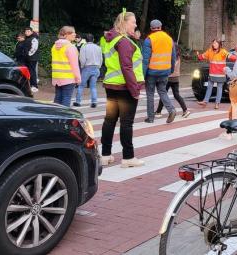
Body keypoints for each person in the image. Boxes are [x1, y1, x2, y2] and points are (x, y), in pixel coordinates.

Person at [100, 11, 145, 168]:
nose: (135, 24)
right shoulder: (124, 42)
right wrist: (135, 90)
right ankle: (128, 157)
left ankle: (105, 155)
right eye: (133, 22)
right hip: (125, 87)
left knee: (109, 120)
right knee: (126, 123)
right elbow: (127, 67)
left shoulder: (110, 40)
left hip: (111, 85)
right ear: (124, 23)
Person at [142, 19, 177, 123]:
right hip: (165, 71)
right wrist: (171, 70)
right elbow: (173, 57)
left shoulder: (149, 40)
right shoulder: (169, 39)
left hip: (152, 72)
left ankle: (150, 118)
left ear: (151, 28)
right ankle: (171, 110)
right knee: (162, 91)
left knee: (150, 94)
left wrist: (142, 75)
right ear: (161, 27)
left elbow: (145, 60)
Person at [156, 44, 191, 118]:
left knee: (163, 94)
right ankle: (185, 110)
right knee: (176, 95)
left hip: (169, 78)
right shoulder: (178, 57)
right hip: (176, 78)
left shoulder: (171, 57)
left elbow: (169, 66)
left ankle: (158, 112)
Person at [196, 39, 232, 109]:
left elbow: (230, 57)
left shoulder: (223, 51)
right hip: (212, 73)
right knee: (209, 87)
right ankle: (205, 102)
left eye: (215, 43)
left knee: (219, 88)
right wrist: (198, 56)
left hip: (220, 74)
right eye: (213, 43)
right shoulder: (210, 51)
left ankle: (217, 103)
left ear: (219, 44)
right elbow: (202, 57)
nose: (214, 44)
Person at [51, 26, 81, 106]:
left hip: (57, 77)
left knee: (57, 99)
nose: (75, 34)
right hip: (68, 78)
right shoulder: (70, 47)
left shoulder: (54, 46)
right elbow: (74, 65)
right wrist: (78, 78)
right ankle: (64, 118)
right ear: (67, 34)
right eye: (73, 32)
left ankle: (55, 117)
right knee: (66, 99)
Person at [74, 33, 102, 108]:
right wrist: (98, 66)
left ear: (85, 40)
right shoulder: (98, 47)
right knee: (93, 86)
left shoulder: (84, 47)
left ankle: (78, 101)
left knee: (81, 85)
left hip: (87, 67)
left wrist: (82, 66)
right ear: (93, 39)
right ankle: (94, 102)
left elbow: (82, 59)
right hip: (96, 67)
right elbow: (101, 59)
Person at [23, 27, 40, 92]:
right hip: (27, 58)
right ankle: (29, 84)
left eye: (28, 31)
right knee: (28, 71)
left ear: (31, 32)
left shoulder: (34, 39)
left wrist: (28, 54)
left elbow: (34, 48)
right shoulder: (27, 38)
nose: (27, 33)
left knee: (32, 71)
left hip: (32, 58)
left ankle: (34, 85)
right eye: (26, 31)